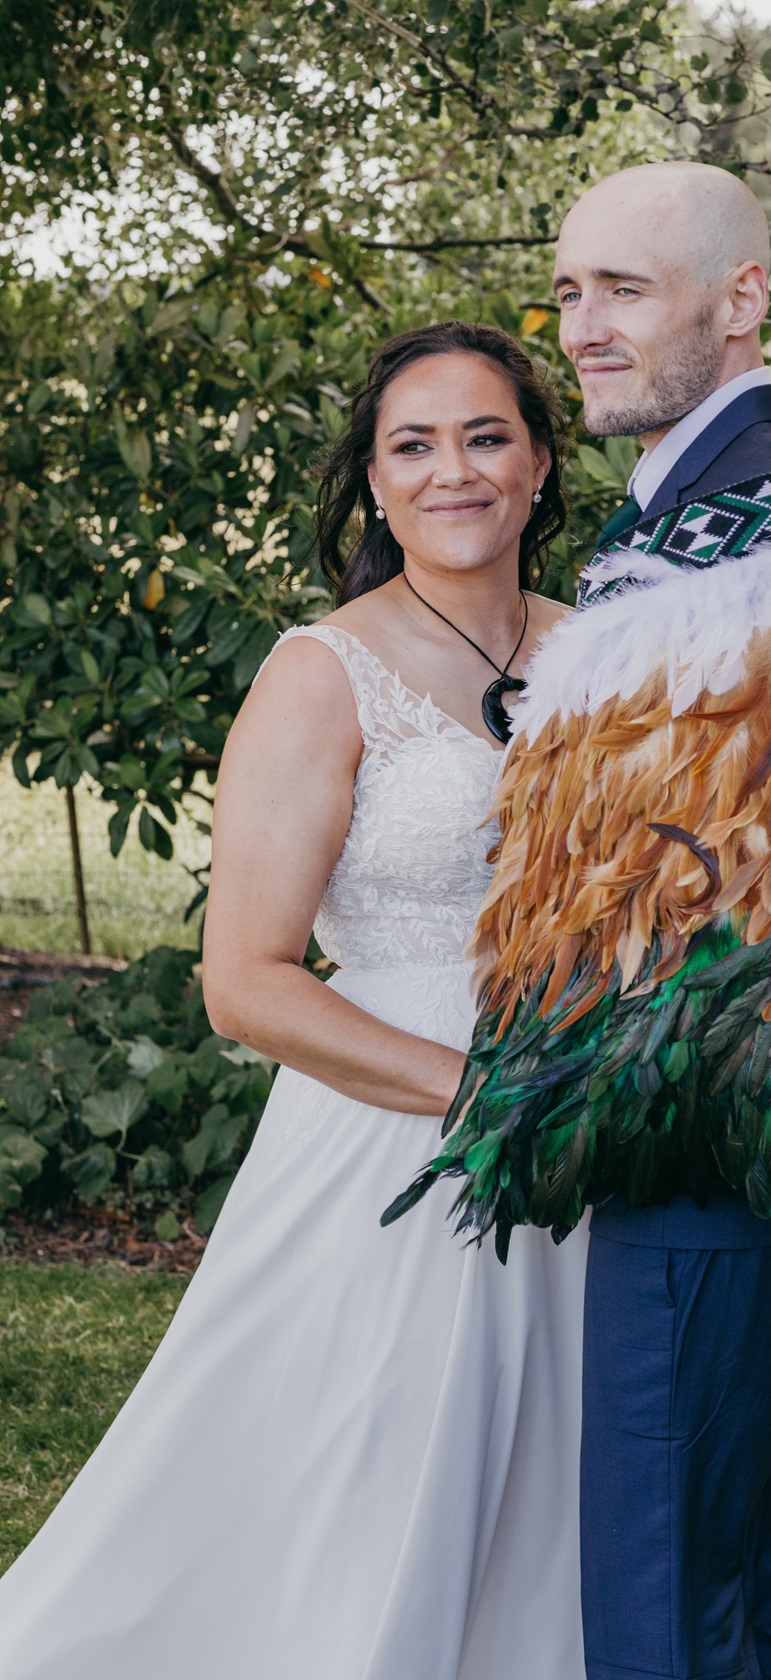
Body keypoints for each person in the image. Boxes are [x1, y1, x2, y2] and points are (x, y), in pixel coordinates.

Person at [386, 163, 771, 1680]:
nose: (585, 326)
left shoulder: (744, 542)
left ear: (740, 298)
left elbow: (673, 902)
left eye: (625, 287)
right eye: (569, 292)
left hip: (709, 1134)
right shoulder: (734, 505)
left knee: (661, 1582)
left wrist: (543, 1102)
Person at [0, 322, 587, 1680]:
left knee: (548, 1499)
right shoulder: (323, 672)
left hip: (584, 1123)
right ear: (374, 486)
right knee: (358, 1496)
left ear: (543, 465)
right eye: (414, 445)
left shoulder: (600, 655)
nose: (456, 471)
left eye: (487, 436)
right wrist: (488, 1098)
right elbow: (246, 985)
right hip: (396, 1131)